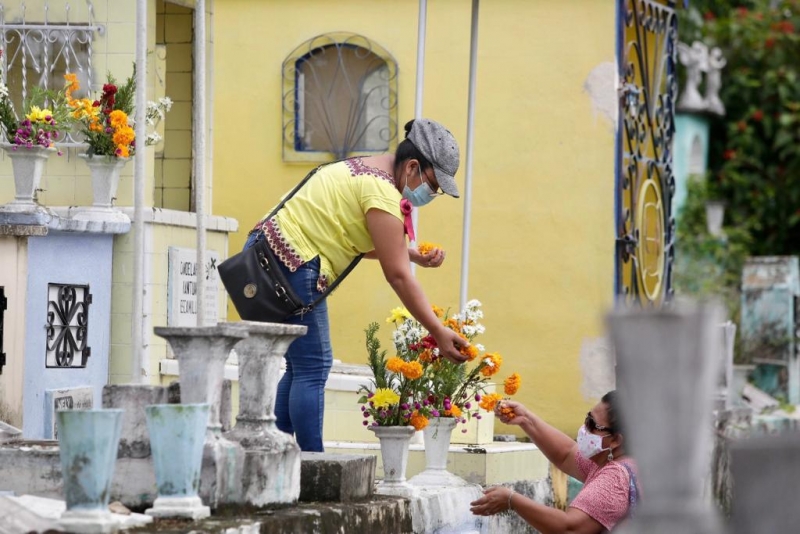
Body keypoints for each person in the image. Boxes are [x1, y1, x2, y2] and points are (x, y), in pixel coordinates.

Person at [243, 119, 470, 452]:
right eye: (433, 185)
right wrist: (437, 331)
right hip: (292, 264)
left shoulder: (365, 168)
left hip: (268, 254)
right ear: (412, 167)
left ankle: (269, 453)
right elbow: (398, 276)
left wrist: (409, 253)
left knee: (299, 366)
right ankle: (311, 467)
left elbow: (354, 238)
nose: (432, 194)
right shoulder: (382, 192)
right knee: (314, 366)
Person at [470, 391, 638, 533]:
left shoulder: (616, 477)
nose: (584, 428)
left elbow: (568, 528)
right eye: (587, 418)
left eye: (592, 424)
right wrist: (526, 419)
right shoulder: (617, 462)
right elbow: (565, 454)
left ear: (616, 440)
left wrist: (511, 500)